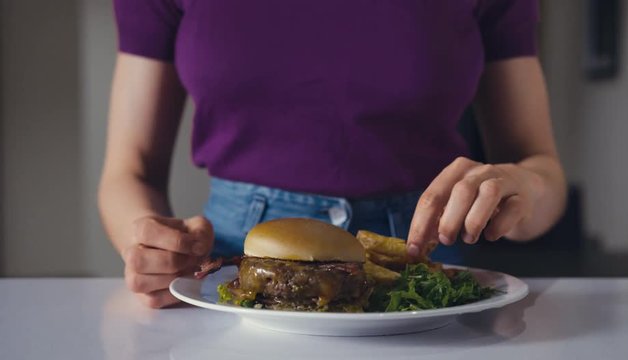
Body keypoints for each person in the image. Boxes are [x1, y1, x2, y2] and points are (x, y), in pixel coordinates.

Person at [99, 0, 566, 308]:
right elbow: (129, 169)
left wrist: (525, 186)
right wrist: (149, 250)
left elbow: (538, 166)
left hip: (423, 272)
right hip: (234, 270)